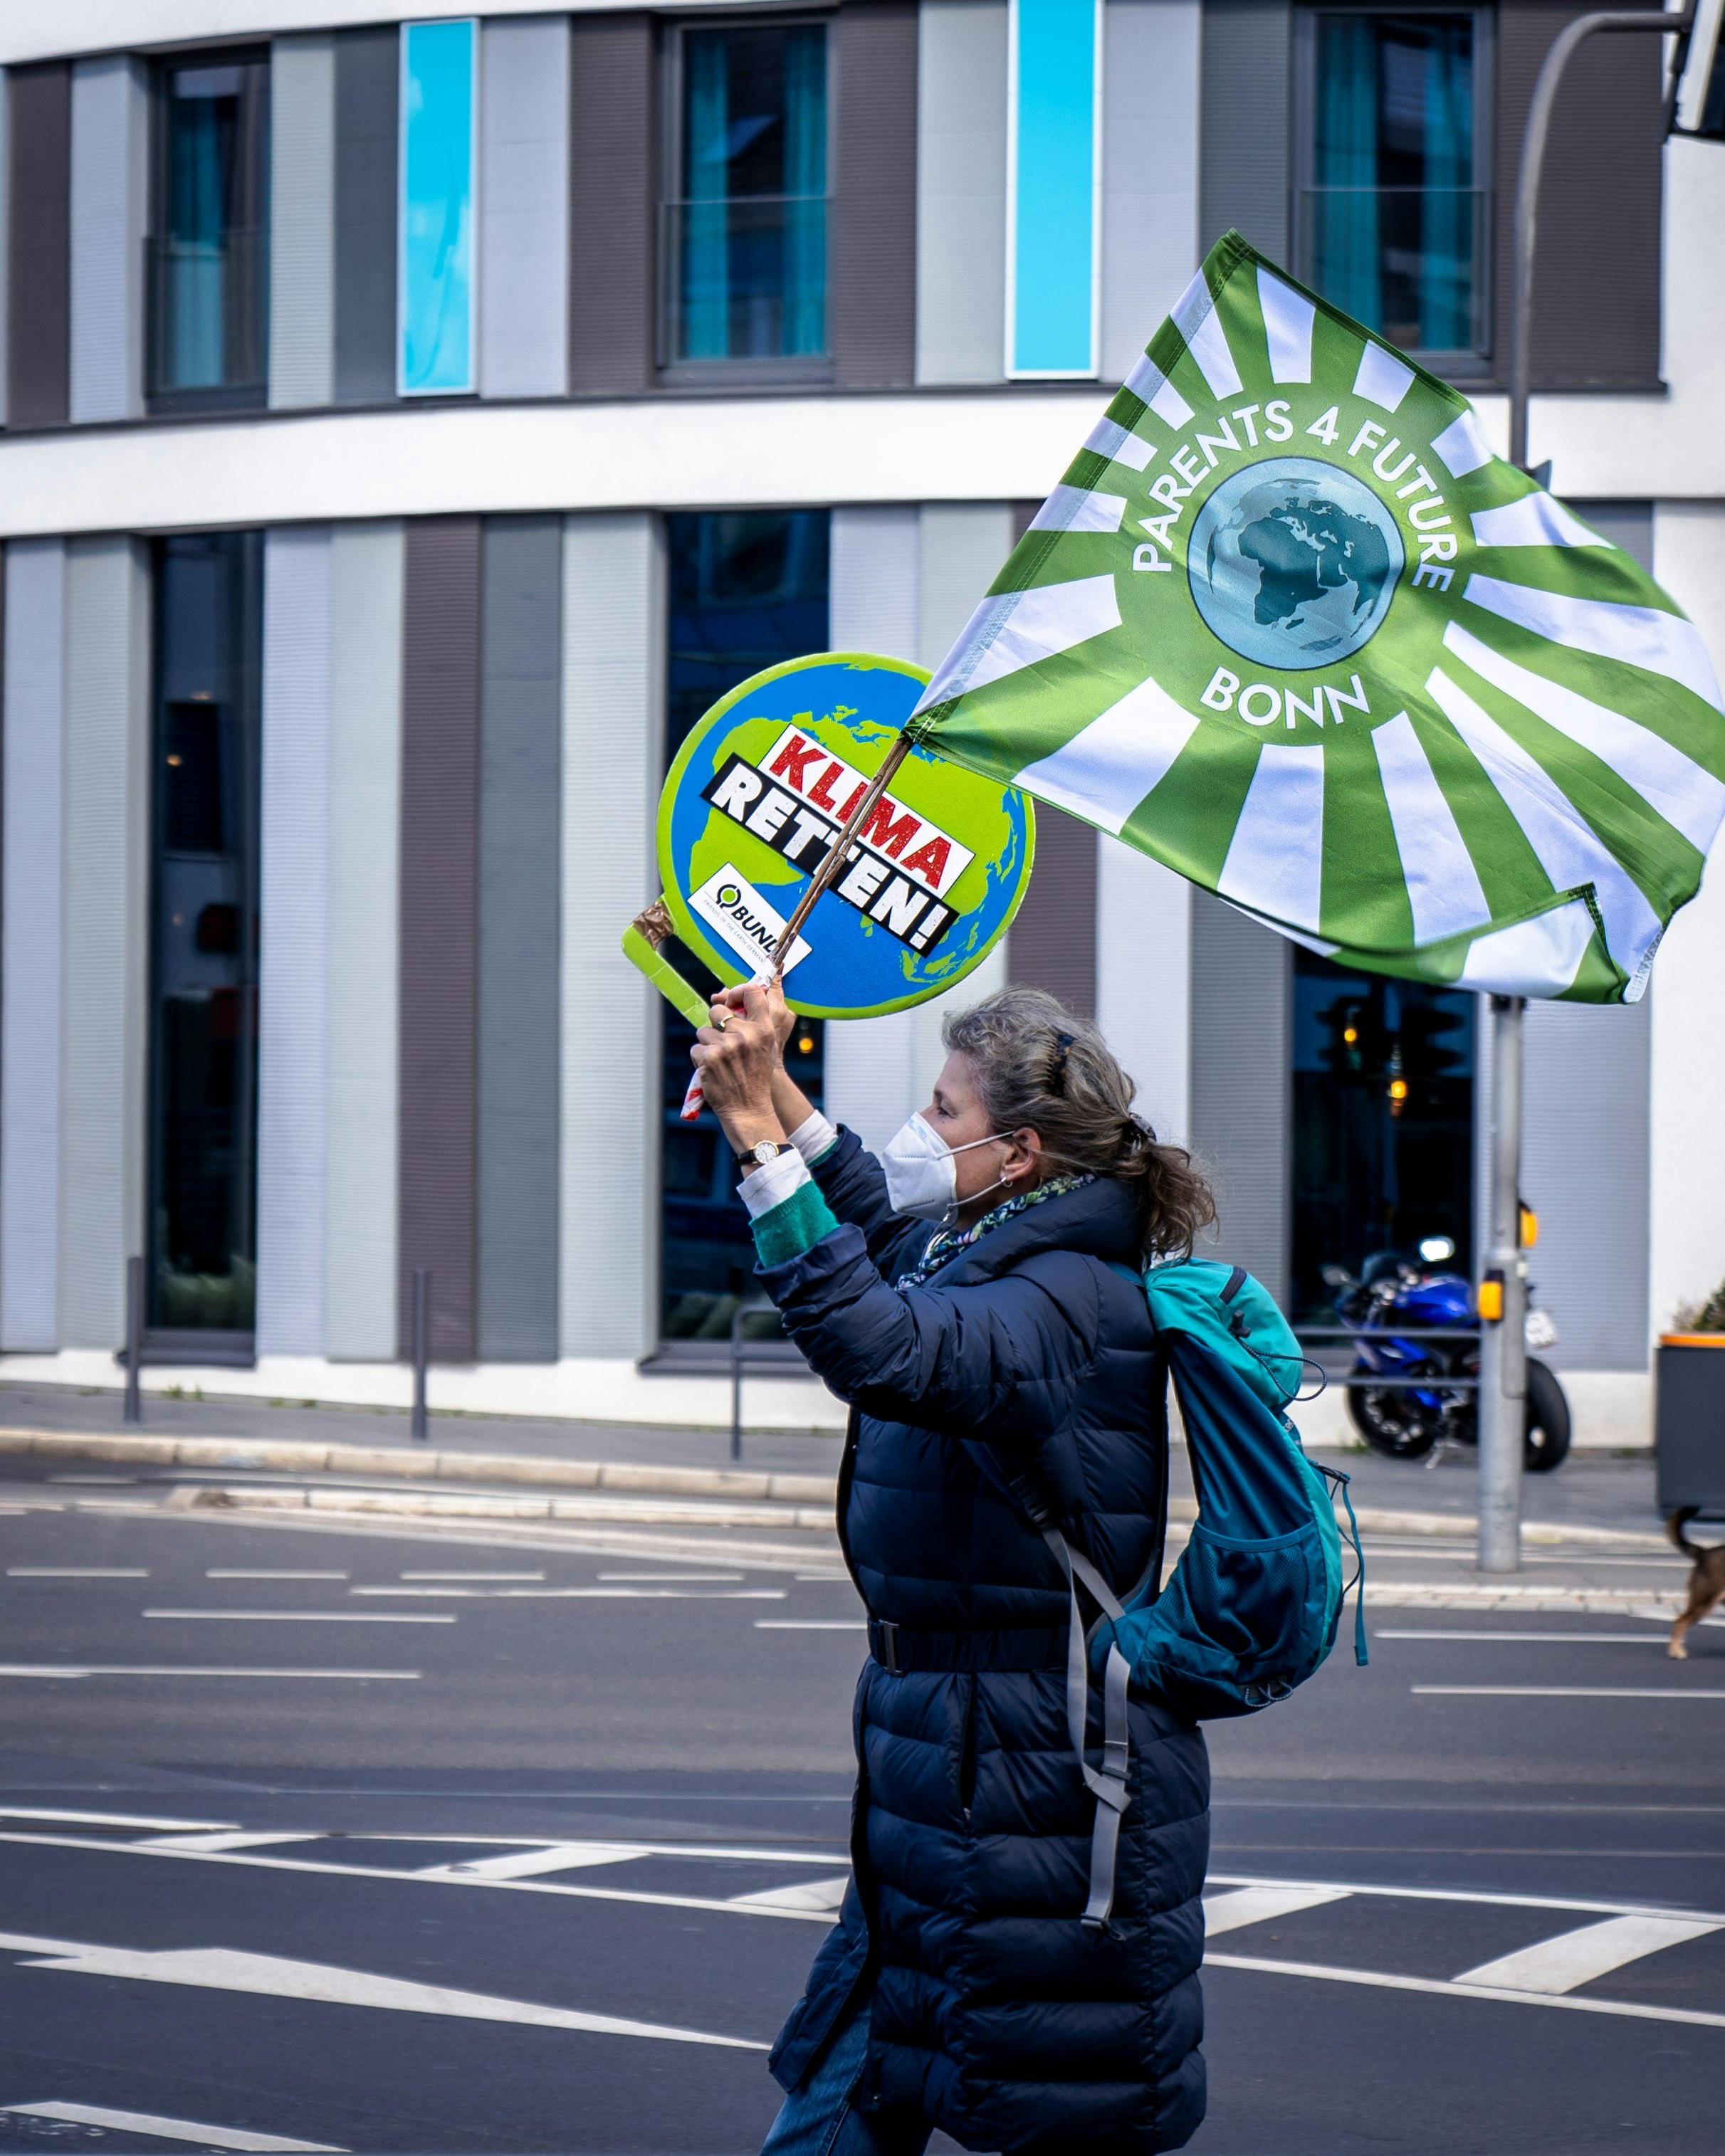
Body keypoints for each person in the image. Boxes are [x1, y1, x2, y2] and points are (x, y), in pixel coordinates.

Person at [691, 979, 1217, 2156]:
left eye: (941, 1108)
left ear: (1018, 1150)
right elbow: (881, 1221)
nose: (920, 1129)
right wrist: (768, 1072)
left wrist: (758, 1145)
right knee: (871, 2057)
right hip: (954, 1761)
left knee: (1044, 2090)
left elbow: (882, 1347)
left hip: (1027, 1779)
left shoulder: (1064, 1294)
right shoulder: (994, 1237)